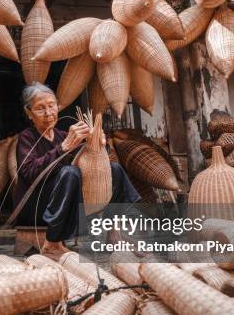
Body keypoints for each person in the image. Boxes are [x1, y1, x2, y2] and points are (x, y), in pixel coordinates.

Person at [14, 82, 141, 260]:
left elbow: (89, 162)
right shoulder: (27, 137)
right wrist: (63, 147)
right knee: (70, 172)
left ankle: (114, 234)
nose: (49, 113)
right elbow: (28, 172)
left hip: (65, 199)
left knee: (114, 169)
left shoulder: (63, 134)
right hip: (36, 203)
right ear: (29, 113)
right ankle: (52, 244)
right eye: (40, 108)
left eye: (51, 106)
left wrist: (97, 144)